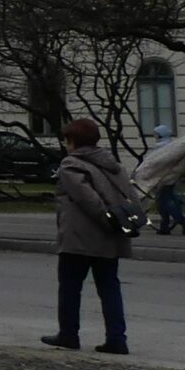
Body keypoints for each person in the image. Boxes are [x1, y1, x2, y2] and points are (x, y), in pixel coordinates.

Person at [48, 118, 133, 353]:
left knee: (70, 286)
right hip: (110, 238)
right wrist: (115, 224)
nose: (66, 145)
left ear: (73, 141)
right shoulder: (111, 164)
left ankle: (68, 335)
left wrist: (106, 219)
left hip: (79, 237)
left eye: (67, 140)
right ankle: (117, 339)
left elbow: (88, 199)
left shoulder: (71, 164)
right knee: (109, 287)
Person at [149, 125, 185, 234]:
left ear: (160, 134)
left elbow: (154, 162)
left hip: (163, 177)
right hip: (173, 176)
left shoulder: (160, 146)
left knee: (166, 201)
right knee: (165, 201)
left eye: (155, 133)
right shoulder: (172, 144)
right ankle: (164, 227)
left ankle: (183, 221)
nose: (154, 135)